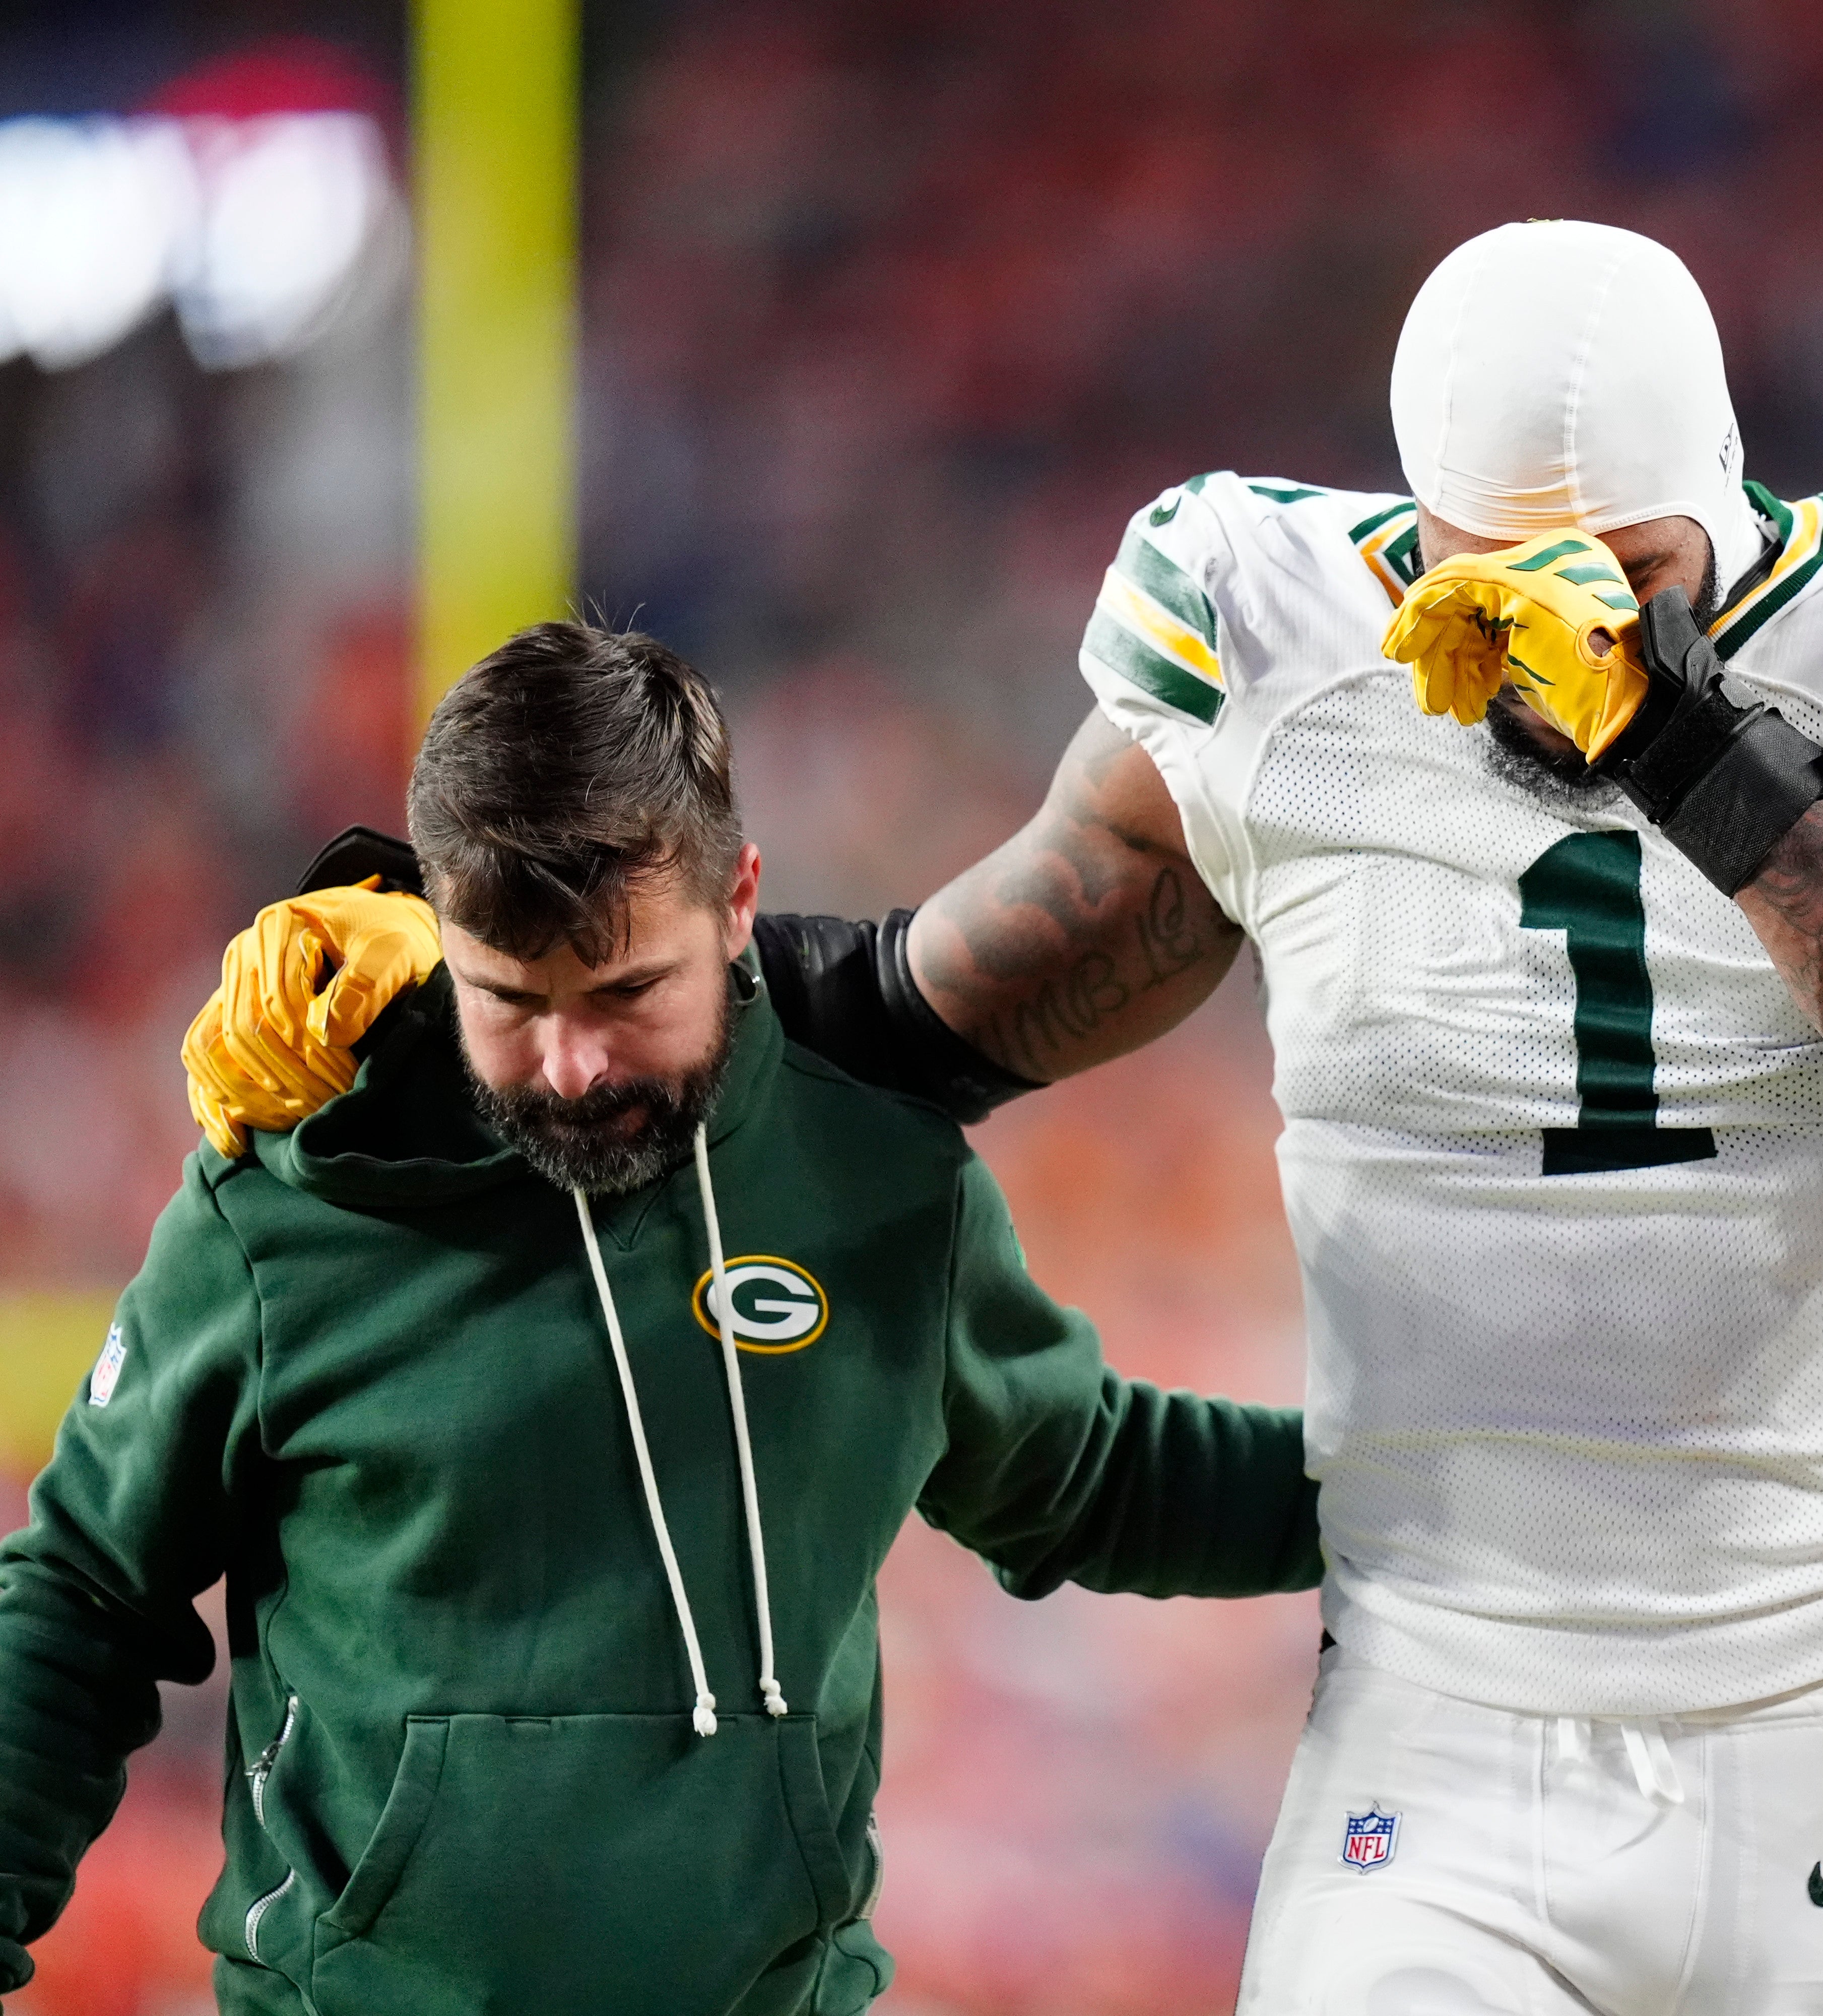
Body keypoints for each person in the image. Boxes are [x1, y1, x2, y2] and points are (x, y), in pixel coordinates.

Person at [181, 219, 1823, 2010]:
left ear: (1717, 517)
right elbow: (925, 1008)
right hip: (1451, 1714)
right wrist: (456, 979)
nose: (1541, 655)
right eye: (1495, 590)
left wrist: (1681, 736)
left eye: (1621, 582)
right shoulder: (1284, 644)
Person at [2, 623, 1321, 2015]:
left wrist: (1430, 1496)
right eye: (510, 1002)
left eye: (629, 994)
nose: (571, 1069)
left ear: (739, 902)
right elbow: (85, 1601)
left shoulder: (877, 1178)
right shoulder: (286, 1210)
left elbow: (1092, 1481)